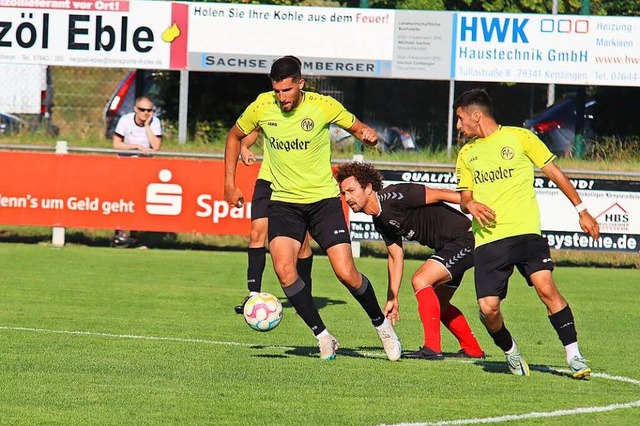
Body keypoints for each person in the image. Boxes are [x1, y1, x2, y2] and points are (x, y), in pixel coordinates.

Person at [224, 55, 401, 361]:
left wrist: (369, 137)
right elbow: (234, 135)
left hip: (323, 203)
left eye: (287, 91)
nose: (282, 98)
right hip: (283, 202)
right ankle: (324, 336)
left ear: (300, 84)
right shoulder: (261, 106)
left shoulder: (323, 105)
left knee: (347, 273)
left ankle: (382, 326)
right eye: (277, 91)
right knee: (283, 270)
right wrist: (229, 183)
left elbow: (359, 128)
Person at [454, 88, 600, 379]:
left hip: (525, 233)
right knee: (488, 309)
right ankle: (511, 351)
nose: (458, 126)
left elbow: (555, 172)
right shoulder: (467, 154)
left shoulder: (519, 138)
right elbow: (464, 197)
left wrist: (581, 210)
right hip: (489, 241)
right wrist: (470, 203)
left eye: (460, 119)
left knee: (547, 289)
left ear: (476, 115)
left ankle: (574, 356)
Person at [335, 161, 484, 361]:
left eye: (351, 190)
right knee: (439, 304)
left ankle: (432, 348)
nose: (348, 198)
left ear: (368, 188)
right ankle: (472, 349)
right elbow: (396, 256)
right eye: (344, 193)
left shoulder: (396, 195)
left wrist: (473, 205)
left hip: (465, 238)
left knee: (421, 280)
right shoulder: (380, 220)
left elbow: (441, 193)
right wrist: (392, 297)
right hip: (449, 246)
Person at [234, 129, 314, 314]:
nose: (282, 97)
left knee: (302, 244)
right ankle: (253, 295)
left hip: (296, 183)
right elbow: (253, 129)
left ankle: (305, 296)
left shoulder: (308, 111)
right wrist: (244, 147)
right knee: (256, 233)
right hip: (267, 180)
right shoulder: (268, 105)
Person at [111, 96, 162, 248]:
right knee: (123, 200)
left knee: (139, 201)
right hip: (126, 166)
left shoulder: (155, 123)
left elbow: (156, 146)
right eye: (142, 110)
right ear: (135, 109)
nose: (146, 113)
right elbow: (116, 144)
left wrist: (147, 126)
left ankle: (134, 235)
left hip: (144, 168)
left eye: (149, 110)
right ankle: (119, 233)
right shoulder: (125, 121)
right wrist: (136, 147)